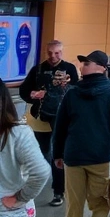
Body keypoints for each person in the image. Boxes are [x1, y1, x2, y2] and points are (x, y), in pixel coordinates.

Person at [50, 51, 110, 217]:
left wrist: (58, 153)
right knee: (99, 203)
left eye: (87, 63)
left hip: (74, 156)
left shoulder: (72, 93)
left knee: (74, 205)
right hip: (99, 156)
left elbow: (60, 126)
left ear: (101, 67)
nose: (82, 66)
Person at [18, 39, 78, 207]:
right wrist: (33, 94)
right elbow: (24, 90)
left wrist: (66, 87)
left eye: (57, 53)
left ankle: (59, 190)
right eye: (50, 53)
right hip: (40, 117)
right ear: (46, 52)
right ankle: (38, 184)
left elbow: (77, 91)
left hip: (62, 117)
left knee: (58, 154)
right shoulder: (37, 69)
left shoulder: (70, 69)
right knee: (42, 153)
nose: (53, 56)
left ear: (62, 52)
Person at [0, 80, 49, 217]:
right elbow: (41, 172)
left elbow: (41, 172)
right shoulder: (19, 133)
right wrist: (20, 198)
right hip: (9, 208)